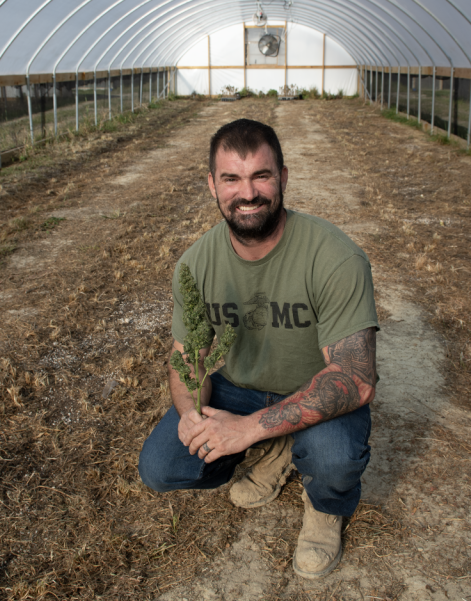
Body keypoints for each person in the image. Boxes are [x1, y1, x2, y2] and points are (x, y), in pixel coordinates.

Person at [138, 118, 378, 579]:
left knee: (332, 459)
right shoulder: (196, 263)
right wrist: (192, 412)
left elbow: (355, 378)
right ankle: (282, 443)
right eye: (231, 179)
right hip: (240, 388)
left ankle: (325, 507)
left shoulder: (334, 256)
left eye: (260, 176)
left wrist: (248, 430)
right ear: (212, 185)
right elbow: (187, 357)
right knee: (163, 466)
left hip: (316, 387)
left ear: (283, 177)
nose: (247, 193)